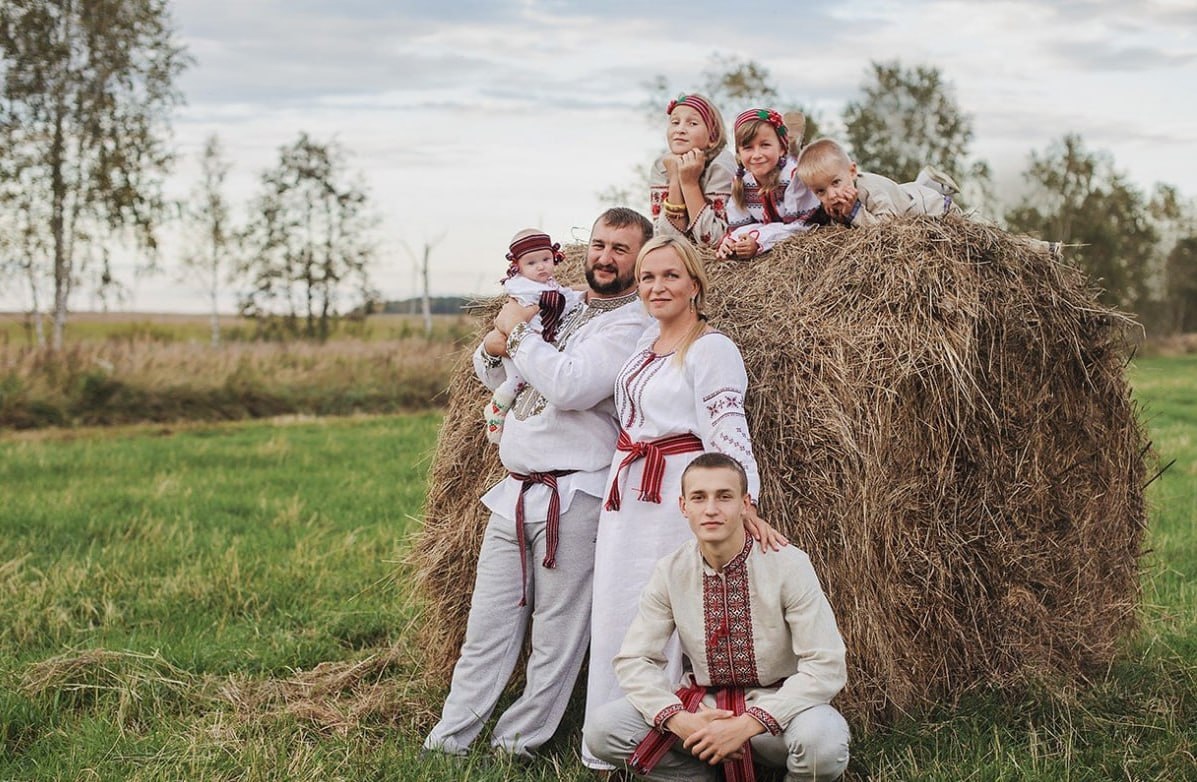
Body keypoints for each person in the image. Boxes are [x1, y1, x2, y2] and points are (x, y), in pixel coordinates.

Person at [422, 208, 654, 759]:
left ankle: (516, 745)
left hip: (574, 496)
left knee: (556, 633)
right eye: (599, 244)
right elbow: (503, 375)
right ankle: (449, 742)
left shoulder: (632, 326)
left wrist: (518, 330)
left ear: (640, 258)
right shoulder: (564, 305)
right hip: (516, 492)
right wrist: (494, 346)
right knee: (487, 624)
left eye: (620, 249)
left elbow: (571, 386)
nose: (604, 257)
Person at [583, 234, 784, 770]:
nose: (657, 287)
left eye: (670, 275)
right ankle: (613, 742)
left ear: (695, 284)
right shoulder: (643, 345)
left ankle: (671, 751)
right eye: (648, 277)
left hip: (675, 493)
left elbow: (727, 430)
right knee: (619, 610)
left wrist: (743, 504)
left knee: (665, 610)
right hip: (628, 495)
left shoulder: (711, 349)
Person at [584, 453, 851, 782]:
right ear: (684, 506)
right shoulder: (671, 571)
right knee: (603, 730)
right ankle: (701, 776)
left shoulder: (788, 565)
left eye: (724, 496)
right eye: (699, 497)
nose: (711, 509)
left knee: (822, 743)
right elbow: (634, 659)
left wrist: (748, 724)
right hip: (701, 711)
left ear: (745, 504)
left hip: (776, 714)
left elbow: (826, 664)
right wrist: (681, 720)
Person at [482, 228, 584, 444]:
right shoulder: (522, 288)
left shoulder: (549, 285)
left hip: (533, 342)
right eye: (531, 263)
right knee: (517, 379)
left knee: (527, 378)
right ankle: (496, 411)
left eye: (546, 259)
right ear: (517, 266)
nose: (541, 266)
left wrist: (582, 296)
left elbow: (566, 296)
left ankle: (500, 409)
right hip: (519, 343)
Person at [716, 108, 823, 261]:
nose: (757, 155)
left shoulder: (793, 177)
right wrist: (732, 241)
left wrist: (758, 240)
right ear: (739, 153)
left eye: (765, 145)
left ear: (782, 149)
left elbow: (800, 227)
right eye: (748, 147)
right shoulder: (742, 182)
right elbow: (738, 226)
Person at [794, 138, 960, 227]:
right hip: (900, 199)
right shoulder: (836, 199)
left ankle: (934, 187)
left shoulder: (870, 190)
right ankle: (923, 183)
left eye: (836, 182)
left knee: (917, 204)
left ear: (852, 172)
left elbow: (886, 228)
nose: (831, 195)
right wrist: (839, 218)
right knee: (899, 195)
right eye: (820, 191)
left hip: (933, 208)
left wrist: (854, 212)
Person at [649, 93, 737, 249]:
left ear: (712, 137)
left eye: (692, 123)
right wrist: (675, 179)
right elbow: (666, 241)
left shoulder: (721, 165)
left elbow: (713, 240)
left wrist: (690, 184)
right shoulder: (662, 166)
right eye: (675, 122)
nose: (680, 129)